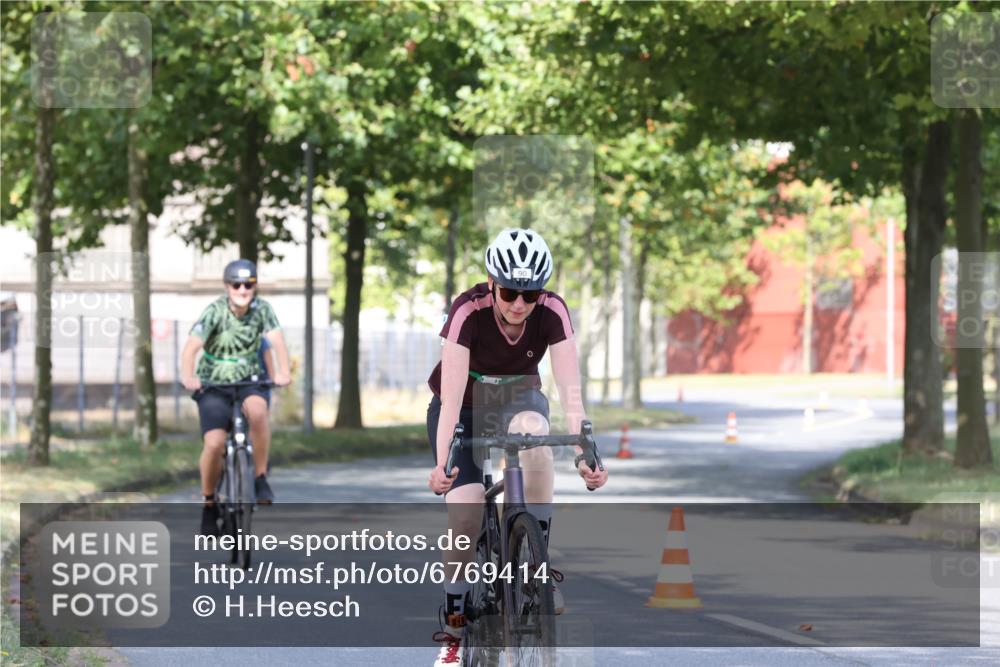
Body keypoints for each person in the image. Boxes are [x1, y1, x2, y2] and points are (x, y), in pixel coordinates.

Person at [426, 228, 609, 665]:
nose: (518, 305)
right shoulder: (467, 311)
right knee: (467, 508)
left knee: (537, 444)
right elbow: (450, 402)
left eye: (529, 294)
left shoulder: (552, 311)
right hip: (465, 408)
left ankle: (532, 565)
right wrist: (441, 465)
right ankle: (455, 606)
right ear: (492, 284)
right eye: (509, 292)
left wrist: (586, 451)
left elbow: (570, 393)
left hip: (519, 398)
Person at [180, 259, 291, 536]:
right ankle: (209, 503)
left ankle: (260, 476)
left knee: (259, 412)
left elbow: (276, 341)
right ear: (227, 286)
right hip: (214, 384)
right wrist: (187, 375)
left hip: (249, 380)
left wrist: (283, 371)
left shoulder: (262, 309)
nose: (242, 289)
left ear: (255, 286)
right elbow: (191, 348)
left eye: (248, 284)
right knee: (215, 443)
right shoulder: (215, 312)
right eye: (236, 284)